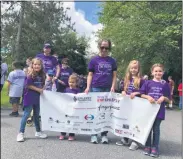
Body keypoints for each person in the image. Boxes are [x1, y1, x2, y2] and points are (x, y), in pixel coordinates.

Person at [84, 39, 117, 144]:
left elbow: (114, 75)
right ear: (99, 47)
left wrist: (113, 87)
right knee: (95, 111)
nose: (104, 49)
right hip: (95, 88)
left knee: (105, 112)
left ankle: (104, 135)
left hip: (107, 89)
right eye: (102, 47)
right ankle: (94, 134)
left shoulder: (112, 61)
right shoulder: (94, 60)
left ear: (109, 48)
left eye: (106, 48)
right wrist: (88, 87)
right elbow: (90, 75)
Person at [140, 64, 170, 157]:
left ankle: (155, 147)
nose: (158, 73)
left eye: (160, 71)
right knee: (148, 128)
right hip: (148, 110)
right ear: (152, 72)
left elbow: (169, 99)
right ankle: (147, 146)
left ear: (163, 72)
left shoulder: (165, 84)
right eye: (156, 71)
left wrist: (163, 98)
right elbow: (141, 94)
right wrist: (148, 96)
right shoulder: (147, 83)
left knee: (156, 129)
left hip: (159, 111)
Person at [116, 60, 145, 150]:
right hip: (128, 105)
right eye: (132, 68)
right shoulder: (127, 79)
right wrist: (123, 91)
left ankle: (135, 141)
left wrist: (136, 93)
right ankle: (125, 139)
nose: (133, 69)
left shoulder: (142, 80)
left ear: (138, 69)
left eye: (135, 68)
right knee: (127, 121)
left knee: (135, 122)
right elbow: (123, 89)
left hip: (137, 105)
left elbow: (144, 91)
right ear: (129, 69)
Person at [16, 58, 47, 142]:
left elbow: (43, 85)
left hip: (38, 97)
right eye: (35, 64)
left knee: (37, 115)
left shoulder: (42, 75)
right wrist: (39, 90)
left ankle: (38, 131)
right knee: (26, 114)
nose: (37, 66)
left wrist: (43, 88)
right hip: (29, 97)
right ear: (32, 65)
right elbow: (28, 85)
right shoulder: (30, 74)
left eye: (39, 64)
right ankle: (21, 133)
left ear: (41, 66)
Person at [59, 75, 80, 141]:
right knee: (64, 121)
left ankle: (71, 135)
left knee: (72, 121)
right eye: (70, 82)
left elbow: (79, 99)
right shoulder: (66, 89)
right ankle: (63, 134)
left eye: (73, 82)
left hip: (73, 109)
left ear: (76, 83)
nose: (71, 83)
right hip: (66, 108)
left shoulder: (78, 90)